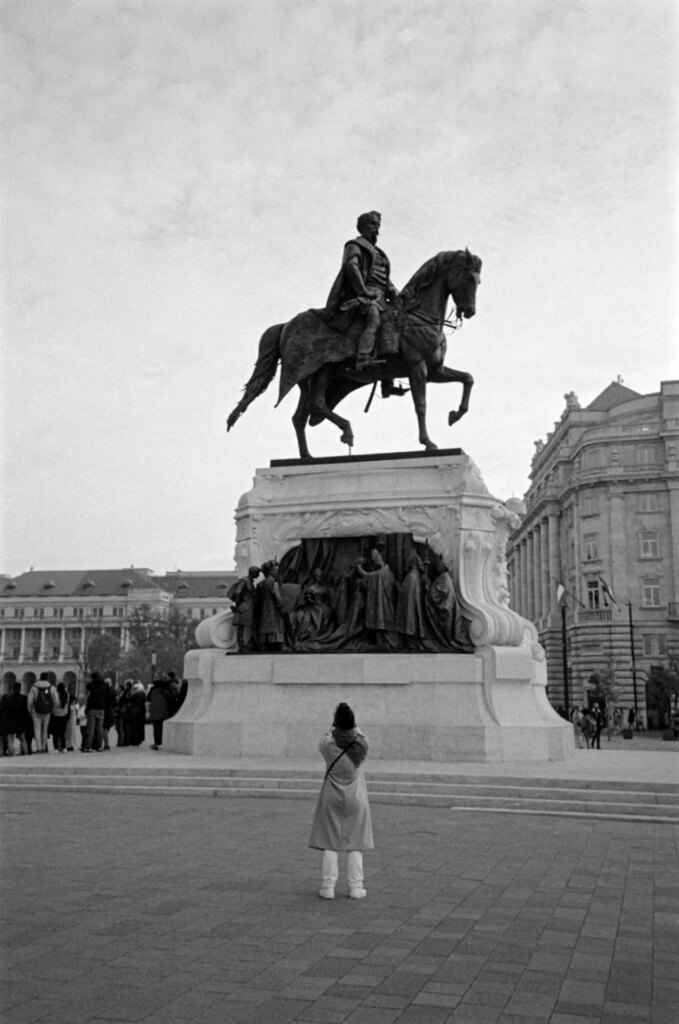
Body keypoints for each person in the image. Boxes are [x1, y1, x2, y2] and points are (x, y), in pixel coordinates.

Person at [309, 702, 374, 900]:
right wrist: (354, 728)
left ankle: (328, 886)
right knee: (355, 843)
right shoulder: (362, 745)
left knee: (330, 842)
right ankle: (356, 886)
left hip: (332, 796)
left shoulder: (328, 746)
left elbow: (325, 737)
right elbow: (360, 735)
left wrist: (333, 727)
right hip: (356, 797)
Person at [324, 211, 400, 375]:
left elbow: (385, 279)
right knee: (373, 317)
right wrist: (363, 291)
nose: (376, 228)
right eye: (373, 224)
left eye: (378, 225)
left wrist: (393, 290)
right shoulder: (354, 245)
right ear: (363, 227)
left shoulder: (380, 253)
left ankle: (388, 377)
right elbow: (352, 267)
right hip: (362, 295)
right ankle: (363, 358)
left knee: (397, 322)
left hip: (381, 296)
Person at [356, 547, 399, 650]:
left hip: (383, 604)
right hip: (387, 604)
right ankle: (382, 643)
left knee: (382, 620)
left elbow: (366, 575)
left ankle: (386, 643)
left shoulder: (380, 574)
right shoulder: (389, 573)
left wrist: (358, 566)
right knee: (384, 621)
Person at [227, 566, 261, 651]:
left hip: (249, 606)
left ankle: (251, 643)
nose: (258, 575)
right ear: (253, 573)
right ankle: (241, 645)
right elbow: (238, 592)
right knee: (241, 626)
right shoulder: (244, 581)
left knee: (251, 625)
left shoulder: (249, 581)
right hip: (244, 607)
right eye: (257, 573)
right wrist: (238, 605)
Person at [254, 561, 285, 650]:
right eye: (274, 570)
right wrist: (281, 604)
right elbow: (277, 595)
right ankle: (279, 644)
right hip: (273, 607)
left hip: (264, 607)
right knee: (276, 625)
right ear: (270, 571)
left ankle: (264, 644)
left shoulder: (260, 584)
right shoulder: (274, 583)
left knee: (265, 625)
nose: (276, 572)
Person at [28, 673, 58, 753]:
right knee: (45, 729)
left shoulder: (34, 688)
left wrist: (30, 710)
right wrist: (53, 709)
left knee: (37, 729)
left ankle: (39, 748)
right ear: (47, 678)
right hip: (47, 711)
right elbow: (56, 700)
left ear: (40, 678)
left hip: (36, 710)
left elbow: (30, 700)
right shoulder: (51, 688)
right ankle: (44, 747)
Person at [0, 683, 30, 756]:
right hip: (21, 721)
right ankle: (26, 753)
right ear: (20, 689)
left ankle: (11, 753)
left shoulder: (8, 698)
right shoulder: (24, 698)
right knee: (23, 739)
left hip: (10, 721)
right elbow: (26, 710)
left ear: (12, 689)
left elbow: (2, 709)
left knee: (10, 738)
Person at [83, 672, 109, 752]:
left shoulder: (91, 685)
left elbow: (87, 690)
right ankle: (99, 746)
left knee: (91, 728)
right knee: (100, 728)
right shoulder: (105, 685)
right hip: (101, 708)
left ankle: (88, 746)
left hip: (92, 707)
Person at [146, 676, 173, 751]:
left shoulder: (153, 690)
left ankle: (157, 742)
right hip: (163, 713)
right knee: (162, 728)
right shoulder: (166, 690)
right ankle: (162, 742)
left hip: (154, 713)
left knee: (156, 729)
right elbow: (170, 700)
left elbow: (148, 698)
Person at [49, 682, 70, 752]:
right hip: (64, 714)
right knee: (62, 732)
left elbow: (54, 703)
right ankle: (64, 747)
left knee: (55, 732)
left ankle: (56, 748)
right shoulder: (67, 695)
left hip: (56, 714)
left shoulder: (55, 694)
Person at [128, 682, 146, 747]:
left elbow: (130, 700)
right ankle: (139, 740)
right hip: (141, 712)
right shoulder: (143, 694)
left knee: (134, 727)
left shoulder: (135, 694)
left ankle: (135, 740)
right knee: (140, 727)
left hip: (135, 712)